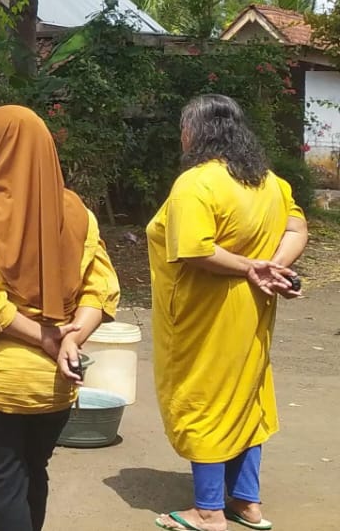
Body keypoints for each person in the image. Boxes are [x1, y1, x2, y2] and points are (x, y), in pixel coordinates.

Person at [0, 105, 120, 531]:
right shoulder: (78, 212)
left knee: (2, 482)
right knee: (32, 473)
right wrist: (70, 340)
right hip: (57, 383)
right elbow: (102, 289)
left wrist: (44, 337)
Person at [149, 95, 306, 531]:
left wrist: (254, 267)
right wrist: (275, 266)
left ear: (194, 133)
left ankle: (208, 511)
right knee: (249, 398)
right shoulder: (269, 182)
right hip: (255, 310)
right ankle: (247, 503)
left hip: (206, 313)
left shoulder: (196, 183)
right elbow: (297, 226)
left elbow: (195, 248)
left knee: (204, 401)